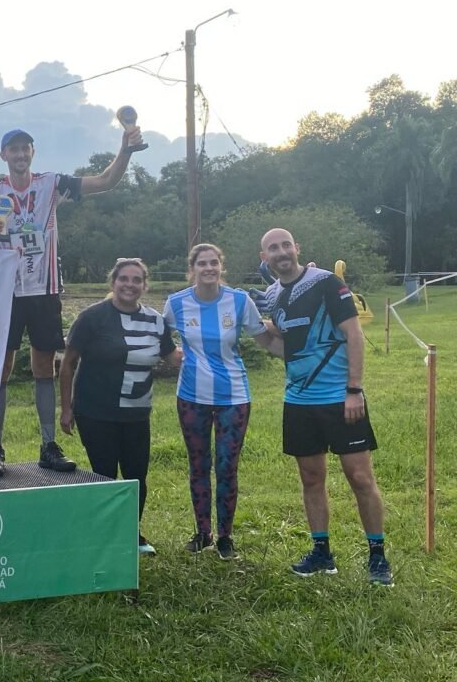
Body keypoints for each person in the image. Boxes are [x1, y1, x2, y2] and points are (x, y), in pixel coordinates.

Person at [0, 126, 139, 477]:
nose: (20, 154)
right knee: (1, 369)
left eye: (25, 148)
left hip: (43, 289)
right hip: (5, 291)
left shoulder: (51, 183)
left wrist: (125, 149)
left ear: (33, 152)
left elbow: (106, 181)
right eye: (13, 149)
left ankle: (48, 445)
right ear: (3, 155)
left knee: (43, 367)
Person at [259, 228, 393, 585]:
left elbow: (354, 334)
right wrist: (257, 331)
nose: (281, 252)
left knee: (360, 477)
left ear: (297, 248)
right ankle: (322, 553)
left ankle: (377, 556)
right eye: (273, 248)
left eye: (286, 245)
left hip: (340, 398)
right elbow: (287, 347)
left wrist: (354, 390)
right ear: (264, 257)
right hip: (298, 401)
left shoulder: (326, 283)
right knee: (311, 478)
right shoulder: (272, 295)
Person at [162, 244, 276, 561]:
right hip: (191, 396)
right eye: (202, 263)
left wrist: (302, 351)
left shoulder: (239, 301)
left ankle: (225, 537)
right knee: (199, 465)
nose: (209, 268)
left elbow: (265, 340)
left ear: (221, 267)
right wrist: (171, 358)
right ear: (192, 269)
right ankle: (203, 533)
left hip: (234, 396)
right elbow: (158, 337)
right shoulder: (176, 303)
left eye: (214, 262)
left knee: (227, 466)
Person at [59, 258, 177, 556]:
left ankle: (131, 534)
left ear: (144, 286)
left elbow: (172, 356)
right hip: (95, 411)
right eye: (124, 278)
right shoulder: (92, 318)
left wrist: (208, 349)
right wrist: (66, 408)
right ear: (113, 282)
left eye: (137, 280)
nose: (130, 285)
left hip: (137, 413)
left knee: (136, 477)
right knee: (105, 476)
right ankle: (105, 536)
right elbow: (68, 363)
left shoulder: (155, 321)